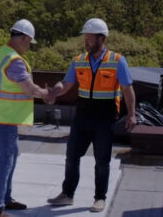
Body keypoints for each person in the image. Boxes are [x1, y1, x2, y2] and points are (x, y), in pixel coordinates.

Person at [46, 18, 136, 213]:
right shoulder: (78, 61)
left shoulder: (117, 60)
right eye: (85, 38)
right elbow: (66, 83)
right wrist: (53, 92)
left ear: (101, 38)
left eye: (89, 38)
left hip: (104, 117)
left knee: (101, 160)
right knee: (71, 156)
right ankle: (67, 194)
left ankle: (99, 198)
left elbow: (128, 89)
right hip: (82, 115)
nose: (85, 41)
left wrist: (132, 114)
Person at [0, 19, 53, 217]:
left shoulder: (2, 53)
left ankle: (5, 199)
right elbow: (29, 89)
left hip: (2, 115)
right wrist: (46, 94)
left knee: (11, 157)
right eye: (29, 42)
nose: (29, 46)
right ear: (23, 38)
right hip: (4, 117)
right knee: (5, 161)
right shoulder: (13, 61)